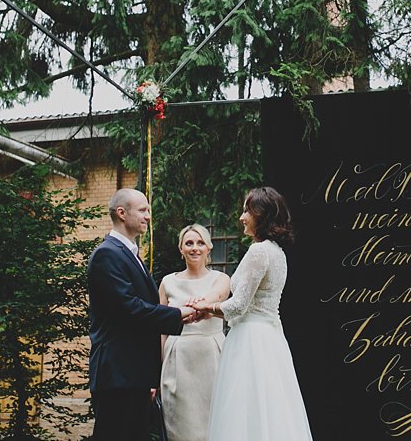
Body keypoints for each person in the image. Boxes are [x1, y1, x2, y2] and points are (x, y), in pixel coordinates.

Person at [193, 187, 314, 441]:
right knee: (269, 409)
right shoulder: (278, 253)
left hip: (250, 340)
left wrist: (207, 308)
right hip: (271, 338)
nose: (242, 217)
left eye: (247, 211)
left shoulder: (259, 251)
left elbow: (239, 305)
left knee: (244, 410)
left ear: (263, 215)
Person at [86, 188, 198, 441]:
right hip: (117, 374)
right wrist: (177, 314)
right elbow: (129, 309)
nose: (148, 216)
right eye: (143, 210)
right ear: (122, 213)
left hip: (133, 374)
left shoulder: (129, 253)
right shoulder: (107, 254)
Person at [158, 224, 231, 441]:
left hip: (212, 358)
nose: (195, 248)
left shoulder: (220, 279)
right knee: (181, 427)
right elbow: (161, 329)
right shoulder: (168, 282)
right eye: (189, 243)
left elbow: (218, 296)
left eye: (200, 243)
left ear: (208, 247)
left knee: (216, 424)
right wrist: (161, 365)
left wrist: (201, 306)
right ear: (181, 249)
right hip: (178, 360)